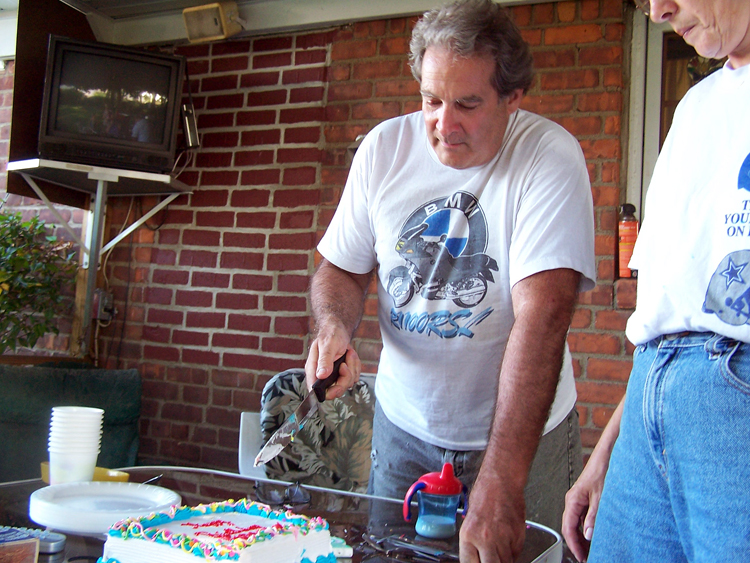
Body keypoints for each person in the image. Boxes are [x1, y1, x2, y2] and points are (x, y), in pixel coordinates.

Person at [306, 0, 595, 561]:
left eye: (466, 104)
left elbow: (544, 317)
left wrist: (503, 479)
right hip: (403, 432)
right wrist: (335, 325)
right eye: (431, 101)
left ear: (512, 98)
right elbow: (340, 267)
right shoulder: (382, 150)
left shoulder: (549, 156)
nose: (444, 123)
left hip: (523, 441)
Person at [561, 1, 750, 562]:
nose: (657, 9)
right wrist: (609, 453)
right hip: (649, 402)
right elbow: (670, 315)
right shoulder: (695, 107)